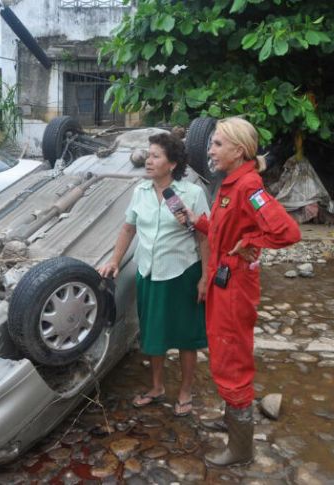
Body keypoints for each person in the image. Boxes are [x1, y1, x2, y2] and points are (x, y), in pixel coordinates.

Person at [176, 117, 301, 467]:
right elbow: (220, 230)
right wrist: (195, 221)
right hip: (221, 282)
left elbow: (288, 232)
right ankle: (232, 417)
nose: (210, 150)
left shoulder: (249, 187)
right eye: (212, 143)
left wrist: (251, 241)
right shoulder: (230, 185)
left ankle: (242, 448)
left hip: (235, 287)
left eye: (217, 144)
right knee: (222, 349)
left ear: (239, 150)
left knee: (233, 357)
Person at [97, 132, 210, 417]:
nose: (148, 161)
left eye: (155, 156)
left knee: (186, 336)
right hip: (148, 272)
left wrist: (205, 277)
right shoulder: (140, 192)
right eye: (148, 155)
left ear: (172, 164)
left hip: (182, 272)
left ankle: (185, 390)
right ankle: (157, 387)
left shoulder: (192, 194)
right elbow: (128, 228)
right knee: (153, 333)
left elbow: (205, 238)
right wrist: (114, 261)